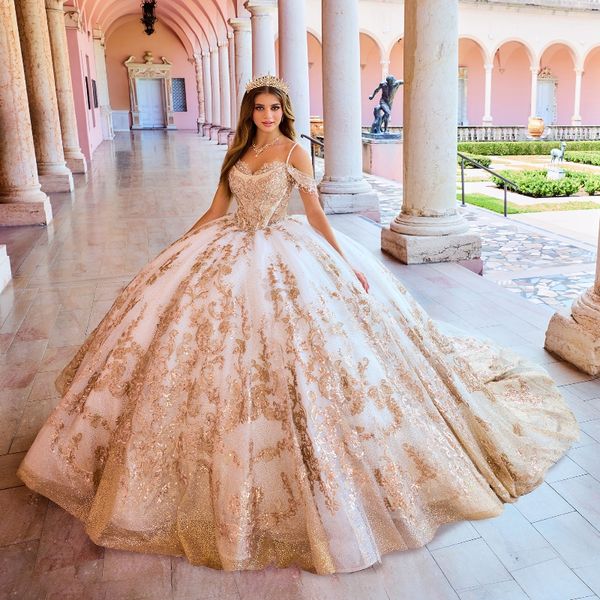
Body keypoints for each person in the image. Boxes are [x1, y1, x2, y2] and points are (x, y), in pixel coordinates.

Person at [18, 75, 578, 575]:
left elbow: (312, 215)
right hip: (228, 244)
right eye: (259, 109)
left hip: (284, 251)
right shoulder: (238, 151)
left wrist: (344, 261)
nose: (267, 116)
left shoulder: (295, 153)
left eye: (273, 109)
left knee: (300, 351)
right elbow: (218, 209)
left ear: (284, 112)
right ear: (249, 113)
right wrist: (182, 243)